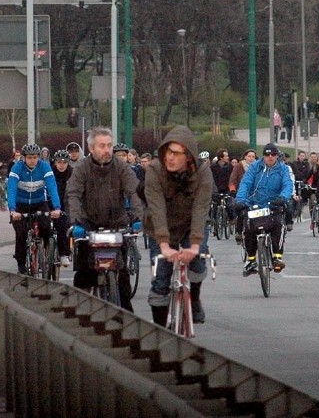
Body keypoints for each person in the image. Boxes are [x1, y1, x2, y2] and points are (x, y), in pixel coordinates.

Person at [66, 127, 144, 312]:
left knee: (122, 274)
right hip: (88, 224)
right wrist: (77, 222)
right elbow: (74, 194)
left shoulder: (121, 167)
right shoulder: (81, 168)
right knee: (84, 273)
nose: (107, 150)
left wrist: (138, 217)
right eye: (102, 146)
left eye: (109, 145)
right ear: (91, 148)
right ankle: (81, 314)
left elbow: (134, 192)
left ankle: (127, 318)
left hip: (117, 223)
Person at [144, 126, 214, 326]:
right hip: (161, 226)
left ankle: (195, 298)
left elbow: (201, 208)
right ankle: (160, 332)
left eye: (176, 153)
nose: (170, 157)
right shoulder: (155, 170)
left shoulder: (203, 173)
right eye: (167, 152)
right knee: (161, 281)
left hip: (191, 225)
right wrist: (164, 245)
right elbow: (156, 209)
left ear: (189, 156)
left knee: (198, 261)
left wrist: (194, 244)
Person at [235, 143, 292, 276]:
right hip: (255, 204)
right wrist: (241, 200)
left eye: (273, 154)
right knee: (248, 228)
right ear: (263, 156)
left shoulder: (283, 169)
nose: (270, 157)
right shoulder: (255, 167)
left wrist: (283, 197)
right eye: (267, 155)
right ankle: (251, 260)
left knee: (278, 225)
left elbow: (287, 184)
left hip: (274, 204)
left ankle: (277, 257)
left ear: (277, 156)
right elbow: (246, 183)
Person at [7, 144, 62, 274]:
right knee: (21, 233)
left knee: (46, 227)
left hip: (39, 203)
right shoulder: (17, 168)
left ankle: (45, 254)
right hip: (20, 204)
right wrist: (12, 210)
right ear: (24, 158)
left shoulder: (44, 167)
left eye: (35, 157)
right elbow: (11, 189)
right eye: (30, 157)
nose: (32, 160)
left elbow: (52, 187)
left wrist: (57, 208)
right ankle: (21, 263)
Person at [50, 150, 74, 267]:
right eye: (59, 162)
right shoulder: (49, 173)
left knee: (63, 227)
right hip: (50, 203)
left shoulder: (73, 174)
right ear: (55, 163)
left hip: (65, 204)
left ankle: (64, 254)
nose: (61, 164)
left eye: (64, 162)